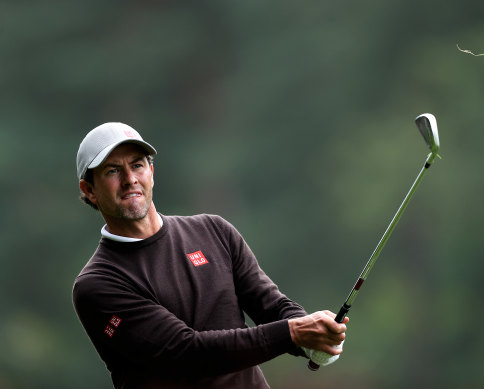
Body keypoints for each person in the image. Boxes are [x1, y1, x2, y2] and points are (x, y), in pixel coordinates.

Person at [72, 122, 348, 388]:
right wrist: (294, 332)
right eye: (112, 171)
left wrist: (314, 338)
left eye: (137, 165)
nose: (130, 179)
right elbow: (187, 352)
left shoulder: (213, 230)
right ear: (89, 190)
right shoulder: (97, 285)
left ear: (152, 172)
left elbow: (271, 306)